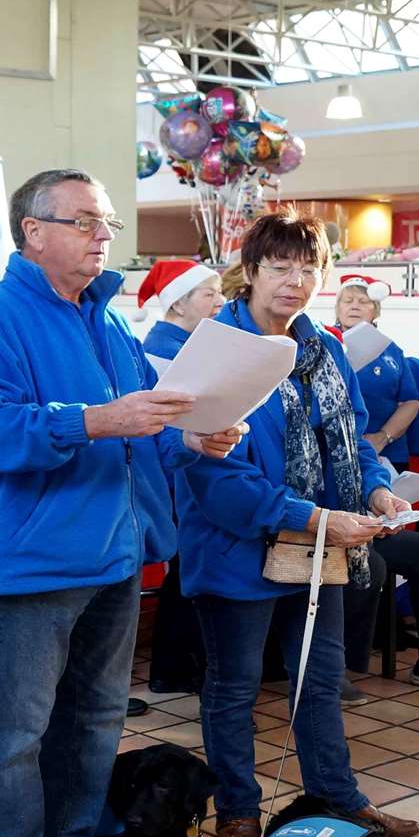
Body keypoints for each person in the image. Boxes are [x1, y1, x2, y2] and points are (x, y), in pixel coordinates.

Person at [0, 169, 245, 837]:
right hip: (36, 560)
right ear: (33, 231)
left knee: (96, 717)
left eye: (106, 223)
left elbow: (141, 429)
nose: (104, 235)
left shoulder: (106, 322)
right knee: (16, 729)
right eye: (87, 221)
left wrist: (191, 438)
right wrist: (93, 421)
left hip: (115, 553)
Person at [174, 209, 419, 837]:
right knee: (235, 687)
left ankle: (336, 794)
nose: (294, 281)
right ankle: (236, 808)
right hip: (238, 550)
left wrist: (374, 487)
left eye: (307, 267)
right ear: (250, 271)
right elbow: (212, 477)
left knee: (319, 678)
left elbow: (354, 439)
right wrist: (315, 518)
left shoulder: (325, 347)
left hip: (320, 547)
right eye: (279, 266)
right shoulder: (217, 349)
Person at [331, 275, 419, 690]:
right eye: (346, 299)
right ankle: (335, 670)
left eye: (361, 300)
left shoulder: (391, 355)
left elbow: (410, 403)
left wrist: (381, 452)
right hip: (325, 523)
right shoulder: (321, 351)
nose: (353, 305)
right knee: (371, 565)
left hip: (369, 498)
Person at [135, 258, 223, 695]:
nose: (219, 302)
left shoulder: (188, 347)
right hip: (176, 476)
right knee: (186, 570)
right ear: (178, 304)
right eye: (209, 294)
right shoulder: (160, 353)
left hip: (188, 469)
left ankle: (175, 668)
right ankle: (174, 667)